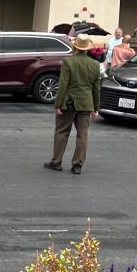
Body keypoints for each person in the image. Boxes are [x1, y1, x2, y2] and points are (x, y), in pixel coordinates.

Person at [44, 33, 102, 175]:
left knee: (62, 132)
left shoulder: (68, 62)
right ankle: (77, 165)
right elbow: (96, 88)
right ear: (88, 48)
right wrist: (96, 107)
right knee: (82, 135)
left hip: (69, 102)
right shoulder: (95, 64)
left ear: (75, 46)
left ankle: (56, 162)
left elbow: (63, 84)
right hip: (86, 103)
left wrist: (58, 104)